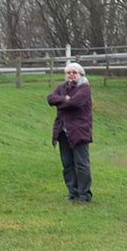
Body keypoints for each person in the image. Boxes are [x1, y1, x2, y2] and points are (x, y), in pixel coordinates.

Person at [48, 62, 94, 202]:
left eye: (75, 72)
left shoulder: (84, 88)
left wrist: (61, 103)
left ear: (81, 74)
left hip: (79, 131)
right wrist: (63, 98)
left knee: (81, 163)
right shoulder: (61, 88)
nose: (71, 75)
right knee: (67, 163)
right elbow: (50, 99)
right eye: (69, 72)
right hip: (62, 131)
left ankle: (84, 194)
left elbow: (76, 103)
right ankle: (72, 191)